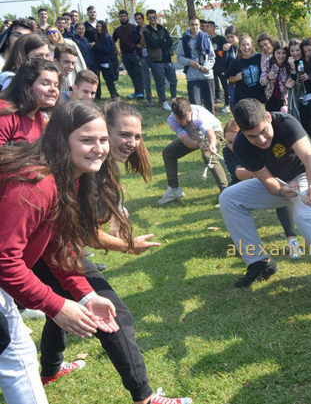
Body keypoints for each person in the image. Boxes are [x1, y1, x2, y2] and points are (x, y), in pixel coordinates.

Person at [33, 100, 193, 404]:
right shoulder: (70, 171)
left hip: (55, 248)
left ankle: (51, 370)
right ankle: (145, 398)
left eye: (137, 136)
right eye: (123, 135)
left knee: (67, 305)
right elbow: (87, 236)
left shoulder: (94, 166)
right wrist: (128, 246)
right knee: (114, 315)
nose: (131, 143)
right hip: (41, 252)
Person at [0, 100, 123, 404]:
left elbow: (58, 244)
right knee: (19, 360)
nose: (99, 148)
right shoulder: (36, 182)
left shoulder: (64, 177)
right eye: (87, 140)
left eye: (103, 139)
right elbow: (4, 261)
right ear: (61, 139)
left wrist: (85, 295)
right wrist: (55, 305)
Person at [218, 98, 311, 316]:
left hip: (309, 174)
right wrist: (282, 191)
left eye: (263, 131)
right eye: (252, 137)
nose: (261, 139)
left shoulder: (285, 122)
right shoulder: (240, 144)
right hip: (281, 182)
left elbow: (309, 157)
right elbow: (267, 182)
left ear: (268, 117)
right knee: (229, 197)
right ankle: (259, 262)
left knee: (305, 217)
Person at [222, 118, 300, 258]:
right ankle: (246, 243)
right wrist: (258, 171)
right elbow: (238, 173)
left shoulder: (256, 145)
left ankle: (291, 239)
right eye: (229, 142)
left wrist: (264, 176)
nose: (232, 146)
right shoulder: (228, 151)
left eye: (235, 141)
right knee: (227, 198)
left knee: (279, 193)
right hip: (241, 182)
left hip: (269, 177)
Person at [158, 97, 227, 204]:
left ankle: (226, 194)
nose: (183, 122)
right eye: (179, 119)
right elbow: (186, 140)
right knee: (168, 153)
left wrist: (212, 145)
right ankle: (174, 190)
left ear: (190, 111)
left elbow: (210, 133)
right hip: (193, 137)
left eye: (185, 119)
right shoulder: (172, 120)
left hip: (214, 132)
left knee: (208, 156)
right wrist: (199, 145)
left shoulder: (199, 116)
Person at [0, 59, 59, 146]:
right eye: (45, 83)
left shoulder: (38, 118)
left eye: (56, 85)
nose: (53, 89)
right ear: (27, 85)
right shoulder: (5, 112)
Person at [177, 17, 216, 113]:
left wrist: (205, 67)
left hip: (207, 76)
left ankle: (212, 126)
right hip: (192, 77)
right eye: (192, 24)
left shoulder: (206, 38)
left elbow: (212, 57)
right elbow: (179, 58)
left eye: (196, 25)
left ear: (200, 25)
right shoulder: (183, 40)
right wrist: (189, 62)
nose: (194, 27)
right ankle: (197, 126)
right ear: (189, 25)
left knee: (210, 104)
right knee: (195, 106)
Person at [144, 9, 177, 110]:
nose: (153, 19)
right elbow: (152, 44)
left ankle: (174, 100)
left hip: (168, 59)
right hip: (156, 61)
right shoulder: (146, 30)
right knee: (160, 82)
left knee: (173, 81)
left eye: (154, 17)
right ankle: (163, 101)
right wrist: (163, 42)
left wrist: (161, 43)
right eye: (150, 18)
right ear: (147, 18)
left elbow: (170, 40)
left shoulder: (162, 28)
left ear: (156, 17)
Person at [113, 9, 145, 99]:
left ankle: (141, 92)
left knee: (139, 74)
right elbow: (113, 41)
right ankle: (136, 91)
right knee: (132, 74)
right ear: (119, 18)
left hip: (135, 54)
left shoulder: (134, 27)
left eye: (124, 16)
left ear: (127, 17)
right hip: (125, 56)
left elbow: (140, 39)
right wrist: (117, 51)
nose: (123, 18)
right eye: (121, 16)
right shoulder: (117, 30)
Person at [228, 33, 266, 106]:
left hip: (258, 98)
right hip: (242, 98)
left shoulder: (259, 57)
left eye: (248, 44)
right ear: (239, 47)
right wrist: (236, 78)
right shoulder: (236, 62)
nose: (246, 47)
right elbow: (229, 78)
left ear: (252, 45)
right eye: (243, 45)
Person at [260, 40, 294, 112]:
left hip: (284, 100)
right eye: (278, 53)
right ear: (274, 53)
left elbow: (294, 78)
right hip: (270, 98)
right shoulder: (269, 62)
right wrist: (268, 78)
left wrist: (292, 66)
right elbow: (261, 81)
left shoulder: (289, 63)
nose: (281, 56)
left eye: (283, 53)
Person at [92, 20, 119, 100]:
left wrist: (95, 46)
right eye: (97, 26)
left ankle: (114, 95)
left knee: (108, 80)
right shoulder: (100, 36)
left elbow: (106, 50)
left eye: (101, 26)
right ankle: (114, 95)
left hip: (107, 62)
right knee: (107, 79)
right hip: (103, 62)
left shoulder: (106, 37)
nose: (99, 28)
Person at [206, 20, 228, 106]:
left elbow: (225, 51)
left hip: (221, 66)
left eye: (208, 26)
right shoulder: (206, 39)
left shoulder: (221, 39)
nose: (206, 28)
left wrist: (220, 54)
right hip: (210, 67)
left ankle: (227, 104)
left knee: (225, 86)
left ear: (213, 28)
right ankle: (213, 101)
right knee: (212, 86)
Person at [133, 12, 153, 105]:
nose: (138, 21)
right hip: (142, 57)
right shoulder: (135, 31)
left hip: (152, 55)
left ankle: (162, 98)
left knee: (157, 77)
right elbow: (138, 43)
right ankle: (149, 99)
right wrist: (142, 34)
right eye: (136, 19)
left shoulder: (150, 28)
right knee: (146, 79)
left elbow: (148, 43)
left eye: (139, 19)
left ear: (143, 19)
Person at [220, 25, 239, 113]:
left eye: (232, 37)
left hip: (243, 78)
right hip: (232, 80)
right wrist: (225, 52)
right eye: (228, 37)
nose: (230, 39)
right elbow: (224, 64)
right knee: (233, 104)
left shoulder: (243, 46)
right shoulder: (228, 48)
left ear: (237, 36)